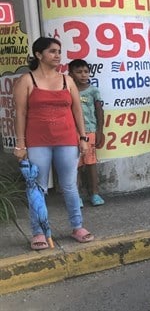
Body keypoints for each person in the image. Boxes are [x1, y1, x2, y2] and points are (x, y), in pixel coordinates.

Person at [12, 37, 94, 250]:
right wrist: (20, 145)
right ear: (39, 55)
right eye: (52, 51)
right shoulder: (27, 80)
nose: (58, 55)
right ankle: (38, 232)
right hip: (37, 141)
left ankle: (77, 226)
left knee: (69, 186)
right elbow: (19, 113)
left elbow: (77, 110)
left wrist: (83, 138)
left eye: (59, 51)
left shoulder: (67, 80)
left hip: (66, 139)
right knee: (37, 188)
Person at [68, 59, 105, 206]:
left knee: (91, 164)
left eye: (86, 71)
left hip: (90, 132)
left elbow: (99, 111)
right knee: (74, 165)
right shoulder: (68, 90)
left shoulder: (93, 91)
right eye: (79, 72)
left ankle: (95, 193)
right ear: (70, 74)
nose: (83, 75)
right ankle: (76, 196)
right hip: (71, 133)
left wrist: (100, 131)